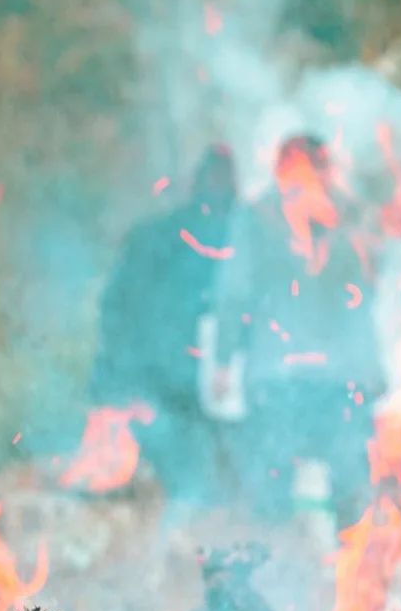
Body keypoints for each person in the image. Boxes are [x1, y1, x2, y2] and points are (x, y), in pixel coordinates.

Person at [213, 135, 379, 538]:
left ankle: (281, 577)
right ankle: (352, 573)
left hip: (278, 372)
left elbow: (235, 292)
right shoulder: (350, 214)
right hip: (341, 376)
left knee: (271, 485)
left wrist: (222, 360)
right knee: (349, 483)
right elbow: (371, 288)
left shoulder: (256, 216)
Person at [90, 144, 240, 516]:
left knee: (197, 483)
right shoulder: (160, 237)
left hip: (199, 384)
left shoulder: (235, 237)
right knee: (177, 481)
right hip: (160, 381)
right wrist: (119, 378)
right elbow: (118, 310)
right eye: (217, 178)